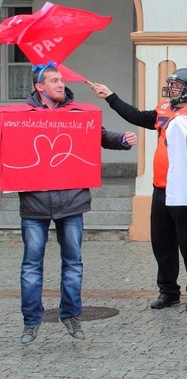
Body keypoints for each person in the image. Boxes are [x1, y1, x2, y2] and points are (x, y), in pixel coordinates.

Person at [20, 64, 136, 344]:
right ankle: (31, 322)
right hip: (34, 203)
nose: (61, 84)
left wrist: (121, 140)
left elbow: (100, 135)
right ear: (40, 87)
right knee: (31, 266)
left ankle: (71, 315)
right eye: (54, 81)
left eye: (61, 80)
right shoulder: (21, 117)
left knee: (73, 264)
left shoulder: (78, 114)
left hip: (72, 202)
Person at [91, 69, 187, 312]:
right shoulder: (163, 109)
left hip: (184, 187)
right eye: (172, 85)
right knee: (162, 242)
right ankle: (168, 290)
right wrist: (110, 96)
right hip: (160, 186)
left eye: (176, 86)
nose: (172, 90)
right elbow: (136, 116)